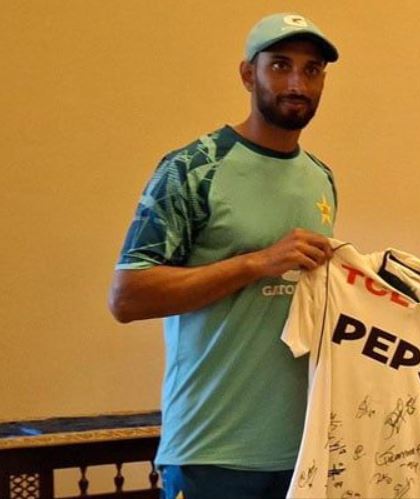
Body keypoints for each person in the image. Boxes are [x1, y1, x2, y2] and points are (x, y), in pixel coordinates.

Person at [108, 13, 340, 499]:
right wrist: (257, 263)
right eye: (280, 65)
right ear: (247, 74)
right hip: (210, 450)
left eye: (312, 70)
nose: (297, 84)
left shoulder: (321, 178)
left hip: (303, 451)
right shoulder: (193, 168)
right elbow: (127, 297)